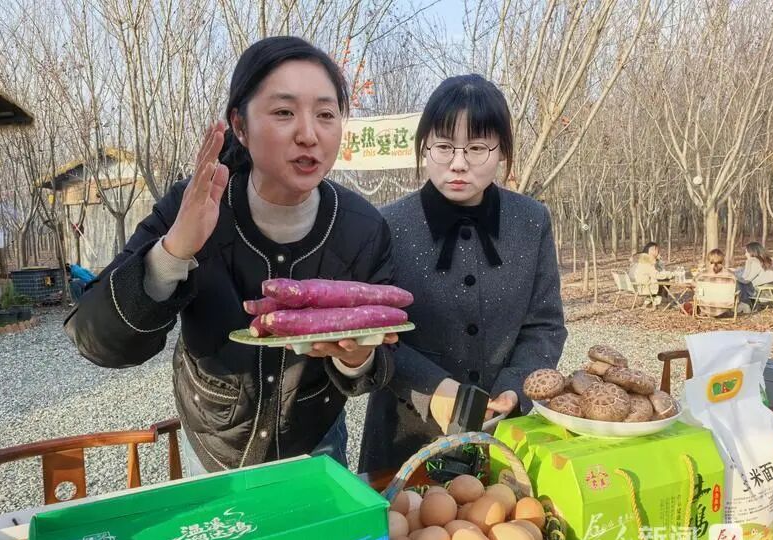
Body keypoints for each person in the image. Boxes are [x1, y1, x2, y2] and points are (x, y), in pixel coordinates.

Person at [64, 37, 398, 475]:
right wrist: (173, 252)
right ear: (240, 126)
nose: (309, 134)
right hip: (213, 443)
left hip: (314, 440)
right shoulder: (194, 205)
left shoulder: (362, 228)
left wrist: (356, 358)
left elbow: (380, 361)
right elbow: (95, 339)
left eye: (325, 114)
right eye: (284, 112)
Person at [358, 74, 567, 473]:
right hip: (405, 435)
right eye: (443, 146)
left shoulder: (530, 221)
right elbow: (375, 336)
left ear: (502, 150)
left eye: (476, 148)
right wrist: (436, 390)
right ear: (425, 146)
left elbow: (544, 325)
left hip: (503, 434)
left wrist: (515, 389)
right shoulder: (386, 226)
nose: (458, 163)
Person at [693, 249, 739, 317]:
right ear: (723, 260)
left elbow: (693, 284)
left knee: (698, 290)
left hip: (706, 307)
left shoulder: (702, 275)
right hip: (724, 308)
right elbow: (736, 290)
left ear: (709, 260)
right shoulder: (731, 275)